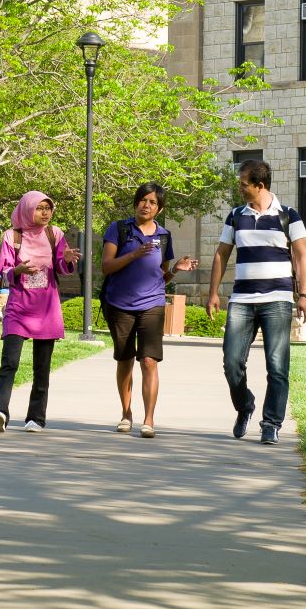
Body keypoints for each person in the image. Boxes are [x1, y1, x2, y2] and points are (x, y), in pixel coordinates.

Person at [206, 158, 306, 446]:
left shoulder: (288, 215)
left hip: (277, 300)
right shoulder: (235, 216)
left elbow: (302, 256)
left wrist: (304, 295)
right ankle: (245, 406)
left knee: (277, 365)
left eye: (243, 184)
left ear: (260, 185)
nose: (239, 189)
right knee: (231, 363)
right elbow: (221, 254)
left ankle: (271, 423)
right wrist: (213, 293)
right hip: (241, 300)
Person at [99, 182, 197, 438]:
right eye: (143, 200)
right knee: (124, 360)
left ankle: (149, 419)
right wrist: (134, 254)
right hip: (119, 303)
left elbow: (160, 277)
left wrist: (176, 270)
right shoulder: (118, 229)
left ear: (159, 208)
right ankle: (126, 413)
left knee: (150, 360)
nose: (147, 204)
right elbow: (106, 267)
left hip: (152, 303)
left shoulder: (164, 236)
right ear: (136, 203)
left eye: (153, 202)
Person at [0, 191, 80, 433]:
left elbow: (62, 266)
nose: (45, 213)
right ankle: (0, 412)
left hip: (46, 309)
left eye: (48, 208)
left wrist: (68, 259)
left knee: (42, 366)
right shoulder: (12, 236)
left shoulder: (55, 234)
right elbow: (4, 271)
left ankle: (36, 418)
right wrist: (17, 269)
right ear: (27, 209)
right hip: (18, 308)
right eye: (39, 208)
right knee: (9, 362)